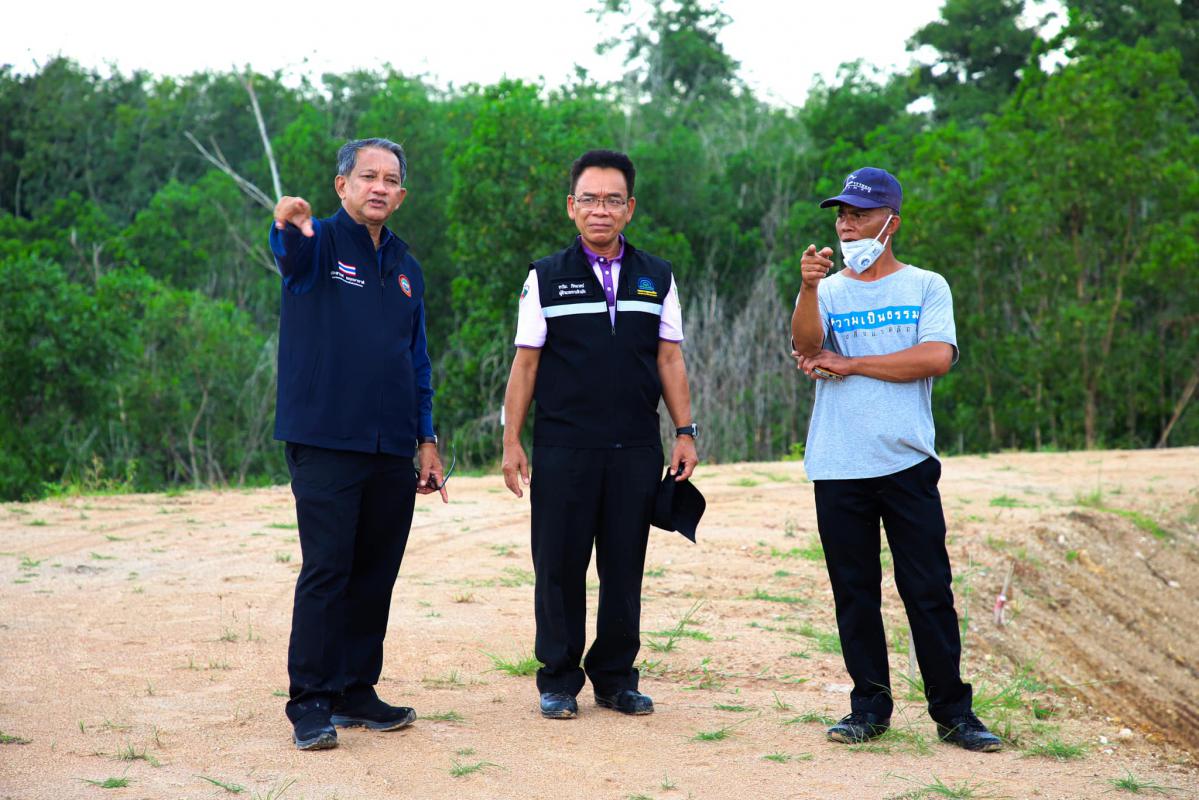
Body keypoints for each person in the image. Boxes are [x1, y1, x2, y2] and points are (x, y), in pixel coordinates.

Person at [789, 167, 1002, 752]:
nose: (847, 225)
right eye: (842, 215)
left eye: (859, 215)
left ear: (892, 223)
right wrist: (807, 289)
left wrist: (853, 362)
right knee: (854, 592)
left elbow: (935, 357)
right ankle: (869, 708)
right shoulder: (827, 291)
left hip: (907, 461)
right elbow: (807, 348)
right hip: (838, 464)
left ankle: (954, 714)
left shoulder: (926, 286)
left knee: (928, 590)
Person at [501, 149, 699, 720]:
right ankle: (559, 679)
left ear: (629, 208)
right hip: (563, 448)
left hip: (635, 447)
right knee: (558, 567)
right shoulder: (545, 276)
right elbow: (526, 365)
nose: (600, 210)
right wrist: (511, 441)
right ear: (572, 206)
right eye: (589, 199)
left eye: (613, 200)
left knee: (623, 567)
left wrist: (684, 432)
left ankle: (615, 678)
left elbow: (669, 358)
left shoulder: (657, 276)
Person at [269, 137, 448, 750]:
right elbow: (290, 256)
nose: (379, 187)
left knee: (375, 573)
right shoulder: (318, 242)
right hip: (325, 439)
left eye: (390, 179)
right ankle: (310, 701)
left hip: (391, 445)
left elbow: (416, 358)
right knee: (328, 570)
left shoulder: (405, 266)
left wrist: (426, 438)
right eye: (368, 176)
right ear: (342, 184)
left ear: (402, 194)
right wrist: (286, 226)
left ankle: (354, 690)